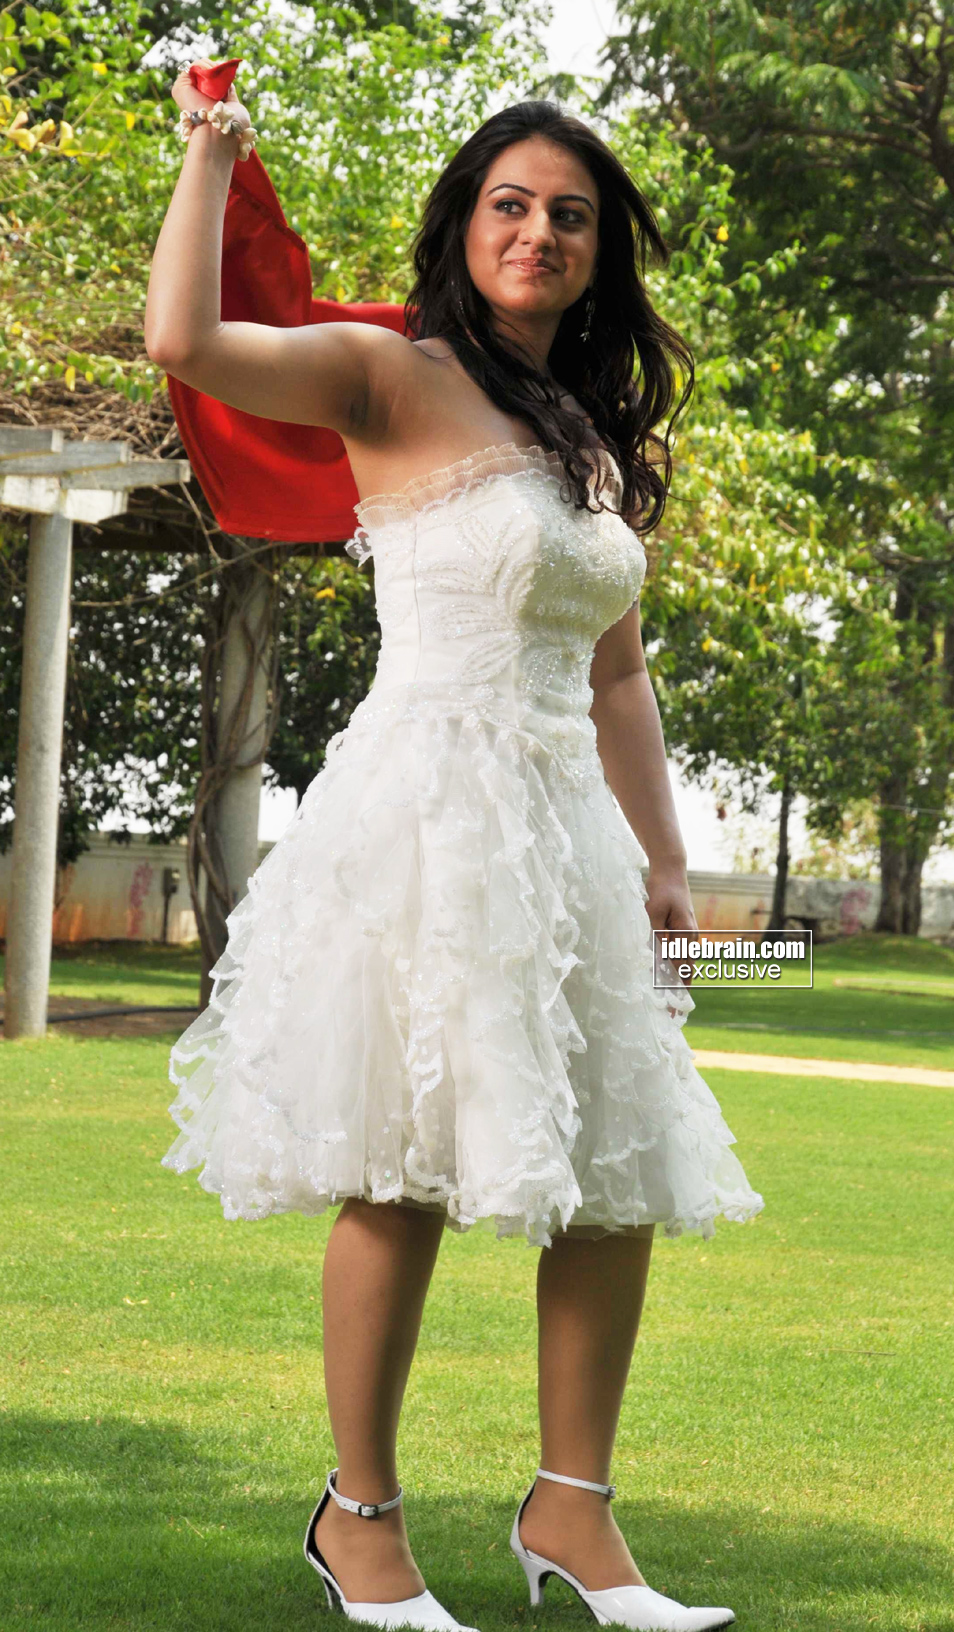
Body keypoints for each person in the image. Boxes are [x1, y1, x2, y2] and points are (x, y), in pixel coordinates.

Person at [145, 58, 764, 1632]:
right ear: (466, 226)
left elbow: (617, 673)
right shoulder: (389, 376)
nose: (539, 232)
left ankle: (576, 1517)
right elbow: (187, 344)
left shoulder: (592, 440)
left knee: (617, 1171)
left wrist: (669, 861)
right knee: (401, 1168)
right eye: (510, 205)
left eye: (570, 215)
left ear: (597, 252)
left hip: (568, 837)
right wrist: (210, 153)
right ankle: (359, 1520)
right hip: (429, 815)